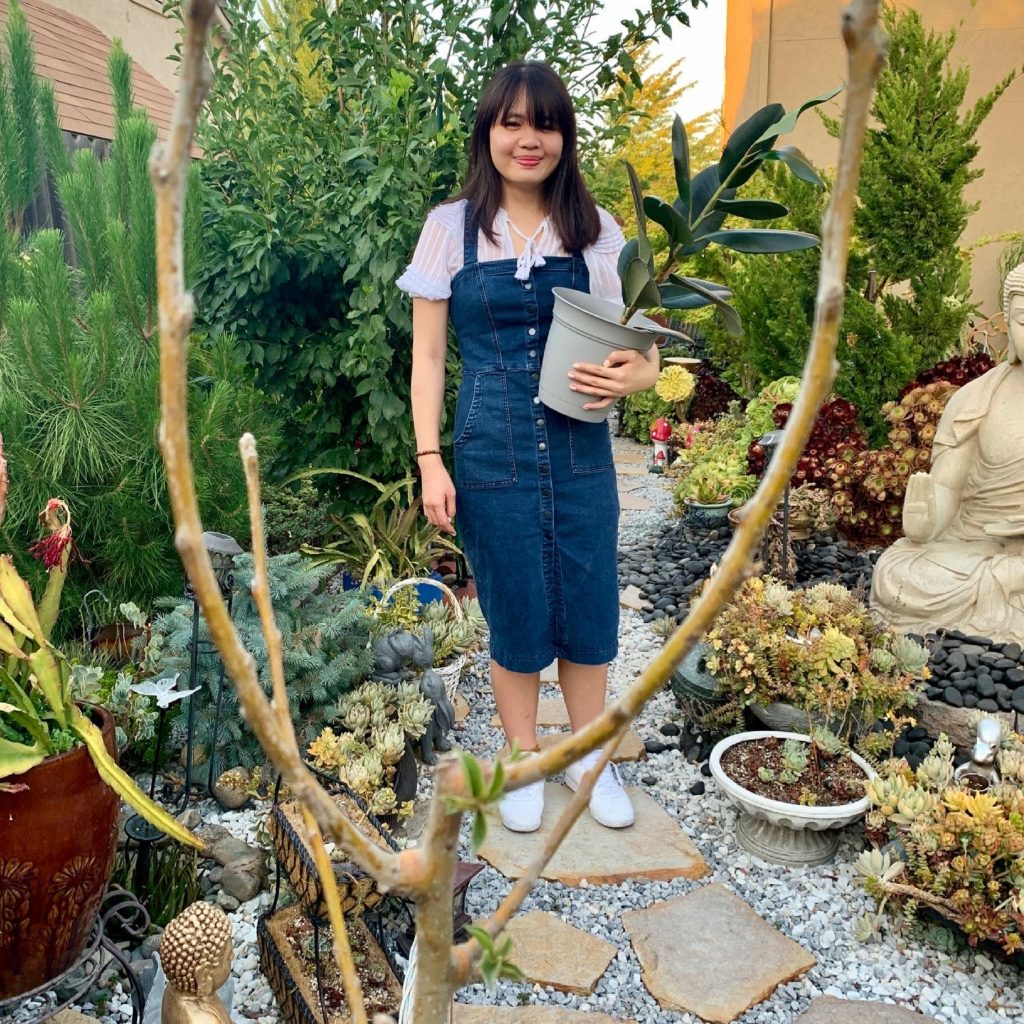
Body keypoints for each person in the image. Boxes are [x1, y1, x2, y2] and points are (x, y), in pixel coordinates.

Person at [397, 61, 659, 833]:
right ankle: (521, 758)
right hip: (489, 449)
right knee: (513, 608)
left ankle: (584, 757)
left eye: (543, 124)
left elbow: (643, 352)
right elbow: (429, 360)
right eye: (511, 123)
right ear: (489, 133)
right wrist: (429, 459)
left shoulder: (595, 231)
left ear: (563, 138)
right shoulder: (452, 230)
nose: (527, 139)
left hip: (581, 449)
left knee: (587, 604)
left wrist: (629, 381)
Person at [870, 260, 1024, 644]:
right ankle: (1002, 588)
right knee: (897, 571)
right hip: (973, 544)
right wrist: (927, 518)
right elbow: (948, 490)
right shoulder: (976, 399)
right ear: (1008, 322)